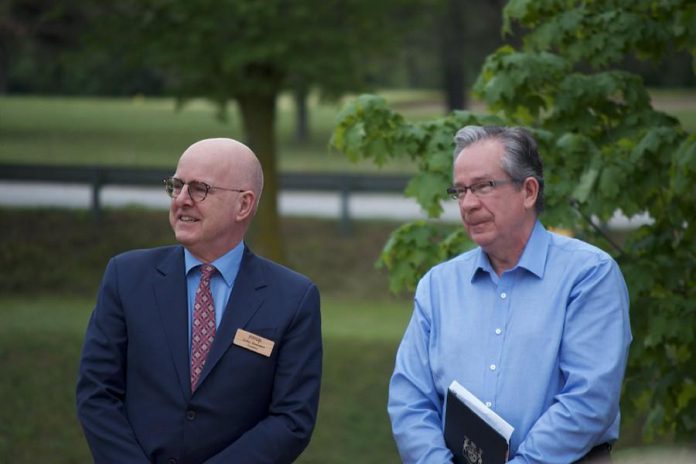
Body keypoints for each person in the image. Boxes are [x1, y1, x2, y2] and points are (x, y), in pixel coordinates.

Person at [387, 126, 632, 463]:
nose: (469, 204)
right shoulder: (438, 286)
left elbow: (589, 400)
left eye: (483, 186)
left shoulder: (588, 275)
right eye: (459, 191)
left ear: (528, 191)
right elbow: (409, 399)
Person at [76, 138, 322, 464]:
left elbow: (292, 420)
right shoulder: (126, 277)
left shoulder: (293, 298)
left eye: (199, 189)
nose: (181, 200)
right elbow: (97, 393)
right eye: (176, 186)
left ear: (244, 205)